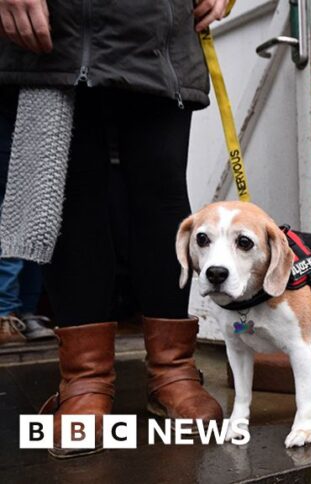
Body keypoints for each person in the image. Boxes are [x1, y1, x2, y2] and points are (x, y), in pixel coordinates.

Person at [0, 0, 230, 458]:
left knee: (162, 189)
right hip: (55, 32)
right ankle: (84, 380)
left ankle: (173, 370)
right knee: (70, 190)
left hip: (159, 35)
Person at [0, 86, 52, 345]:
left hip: (39, 85)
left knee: (39, 205)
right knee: (12, 200)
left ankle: (23, 310)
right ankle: (6, 310)